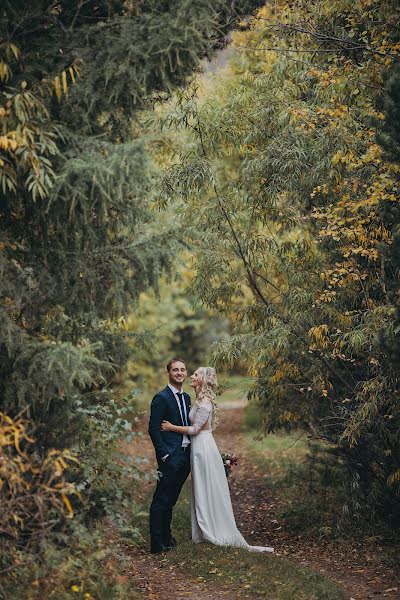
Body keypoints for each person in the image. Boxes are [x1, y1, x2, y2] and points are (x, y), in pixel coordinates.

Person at [161, 367, 274, 553]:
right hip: (197, 447)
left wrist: (171, 427)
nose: (191, 376)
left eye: (195, 374)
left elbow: (195, 429)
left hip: (203, 447)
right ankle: (203, 529)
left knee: (207, 487)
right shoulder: (198, 399)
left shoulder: (205, 403)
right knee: (200, 487)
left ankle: (212, 528)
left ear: (203, 380)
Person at [148, 358, 191, 554]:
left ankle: (167, 536)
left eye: (182, 369)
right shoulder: (161, 398)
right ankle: (157, 543)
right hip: (170, 456)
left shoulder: (188, 398)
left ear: (186, 373)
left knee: (172, 499)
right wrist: (163, 454)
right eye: (175, 370)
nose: (179, 373)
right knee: (161, 499)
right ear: (169, 373)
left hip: (185, 457)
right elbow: (153, 429)